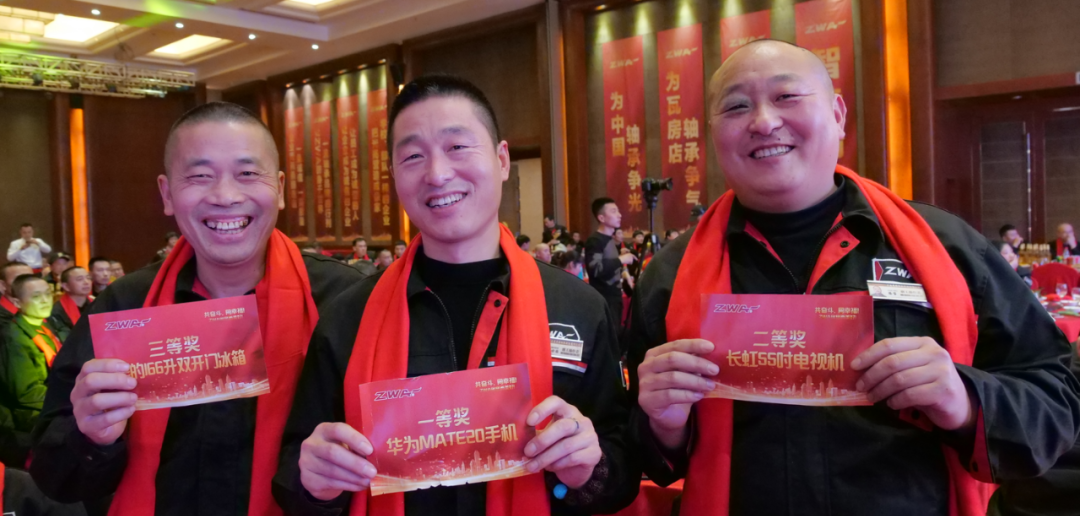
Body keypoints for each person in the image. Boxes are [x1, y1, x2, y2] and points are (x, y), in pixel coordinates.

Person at [627, 39, 1080, 516]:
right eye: (737, 106)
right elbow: (642, 454)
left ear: (838, 114)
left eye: (786, 96)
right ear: (713, 134)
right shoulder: (670, 275)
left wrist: (964, 399)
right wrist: (663, 426)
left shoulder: (945, 247)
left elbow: (1056, 402)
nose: (763, 121)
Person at [273, 74, 637, 516]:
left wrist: (588, 469)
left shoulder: (578, 307)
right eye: (412, 156)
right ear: (394, 176)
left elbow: (622, 468)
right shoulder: (348, 317)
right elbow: (293, 475)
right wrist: (315, 482)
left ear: (502, 160)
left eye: (457, 146)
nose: (438, 173)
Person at [29, 102, 363, 515]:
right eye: (200, 176)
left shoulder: (344, 301)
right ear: (167, 194)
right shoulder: (124, 307)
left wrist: (322, 479)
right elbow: (54, 476)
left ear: (279, 189)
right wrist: (91, 436)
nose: (225, 196)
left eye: (247, 173)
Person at [0, 274, 61, 466]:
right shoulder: (13, 337)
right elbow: (26, 394)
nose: (44, 300)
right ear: (17, 302)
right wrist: (68, 397)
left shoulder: (43, 325)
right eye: (36, 296)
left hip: (52, 400)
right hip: (29, 416)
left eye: (47, 294)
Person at [584, 198, 636, 329]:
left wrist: (624, 273)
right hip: (604, 299)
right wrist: (621, 260)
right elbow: (595, 269)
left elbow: (610, 265)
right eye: (613, 211)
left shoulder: (610, 239)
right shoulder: (595, 240)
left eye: (618, 211)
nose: (619, 215)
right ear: (601, 218)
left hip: (615, 297)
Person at [48, 266, 94, 342]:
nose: (86, 282)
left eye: (88, 278)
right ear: (66, 286)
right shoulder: (56, 312)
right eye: (79, 279)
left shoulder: (96, 304)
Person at [0, 262, 33, 330]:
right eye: (19, 279)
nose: (29, 284)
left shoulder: (40, 307)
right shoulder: (4, 322)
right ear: (2, 285)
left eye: (31, 278)